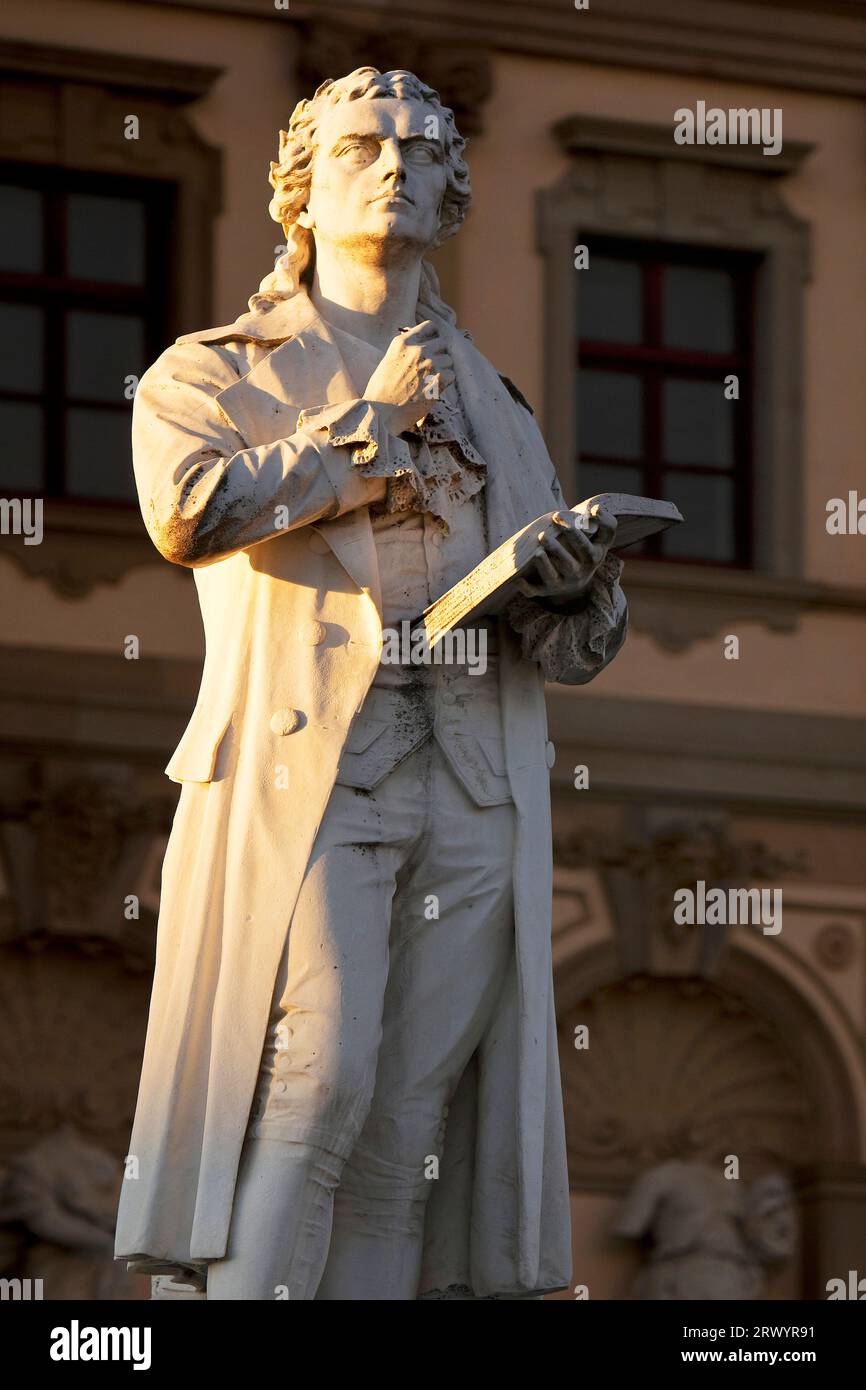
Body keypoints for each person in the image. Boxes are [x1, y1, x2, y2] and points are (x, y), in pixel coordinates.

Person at [114, 66, 628, 1300]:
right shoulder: (213, 371)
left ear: (453, 191)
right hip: (316, 774)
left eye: (419, 148)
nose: (393, 163)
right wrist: (368, 430)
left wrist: (570, 583)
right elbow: (184, 512)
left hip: (469, 775)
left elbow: (568, 651)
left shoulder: (499, 408)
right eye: (360, 145)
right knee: (315, 1080)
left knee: (411, 1124)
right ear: (301, 187)